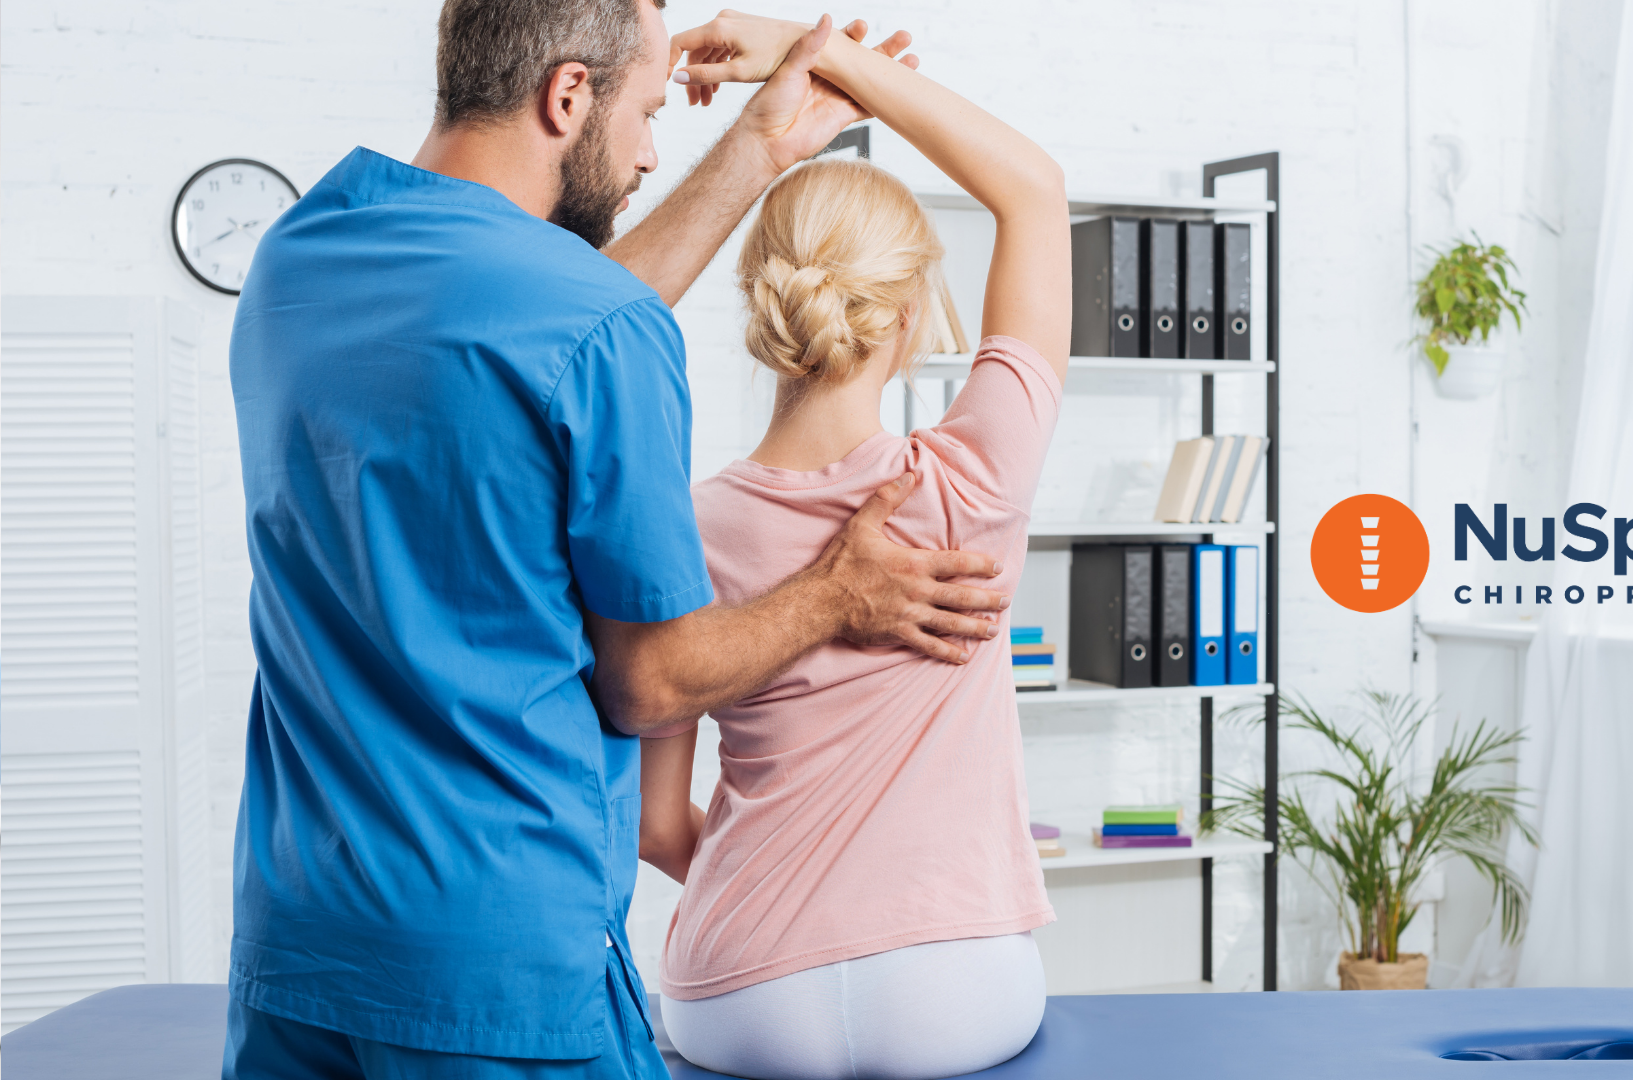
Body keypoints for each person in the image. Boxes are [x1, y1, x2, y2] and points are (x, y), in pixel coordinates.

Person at [221, 5, 1012, 1080]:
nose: (648, 153)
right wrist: (839, 590)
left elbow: (536, 330)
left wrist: (758, 153)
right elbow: (650, 684)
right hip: (495, 974)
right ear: (567, 95)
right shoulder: (598, 329)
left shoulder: (298, 259)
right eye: (645, 113)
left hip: (300, 944)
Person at [632, 14, 1072, 1080]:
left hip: (737, 990)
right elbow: (1033, 189)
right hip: (953, 986)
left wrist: (782, 915)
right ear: (915, 310)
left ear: (760, 300)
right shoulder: (972, 482)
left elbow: (655, 827)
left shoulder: (675, 520)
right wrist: (816, 48)